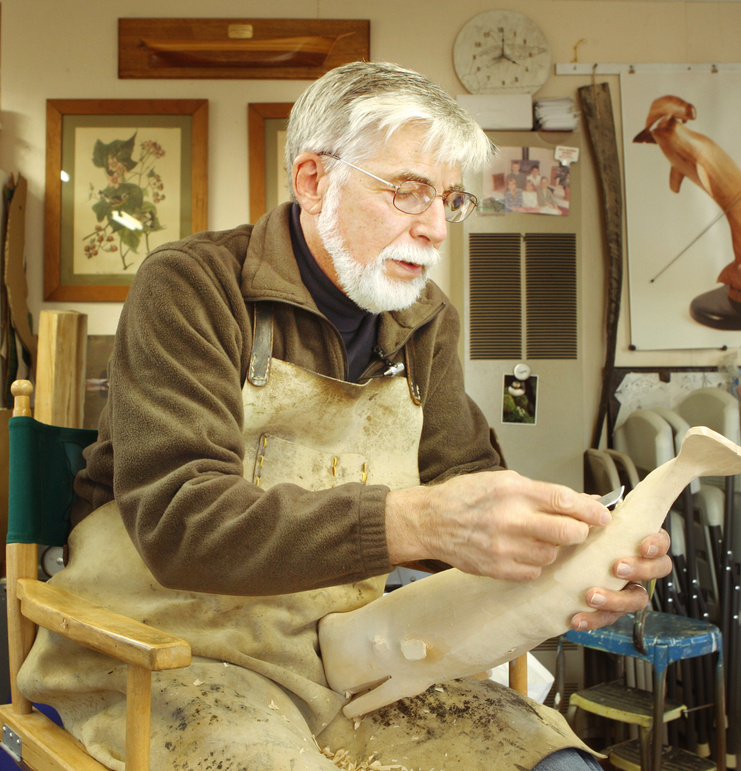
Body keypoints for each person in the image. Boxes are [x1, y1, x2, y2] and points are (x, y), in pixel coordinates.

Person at [19, 61, 670, 771]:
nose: (433, 230)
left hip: (353, 653)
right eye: (408, 192)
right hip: (169, 651)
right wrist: (416, 521)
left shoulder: (425, 323)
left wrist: (575, 563)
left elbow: (472, 494)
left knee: (558, 765)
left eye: (448, 200)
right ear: (312, 179)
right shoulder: (191, 287)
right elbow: (181, 519)